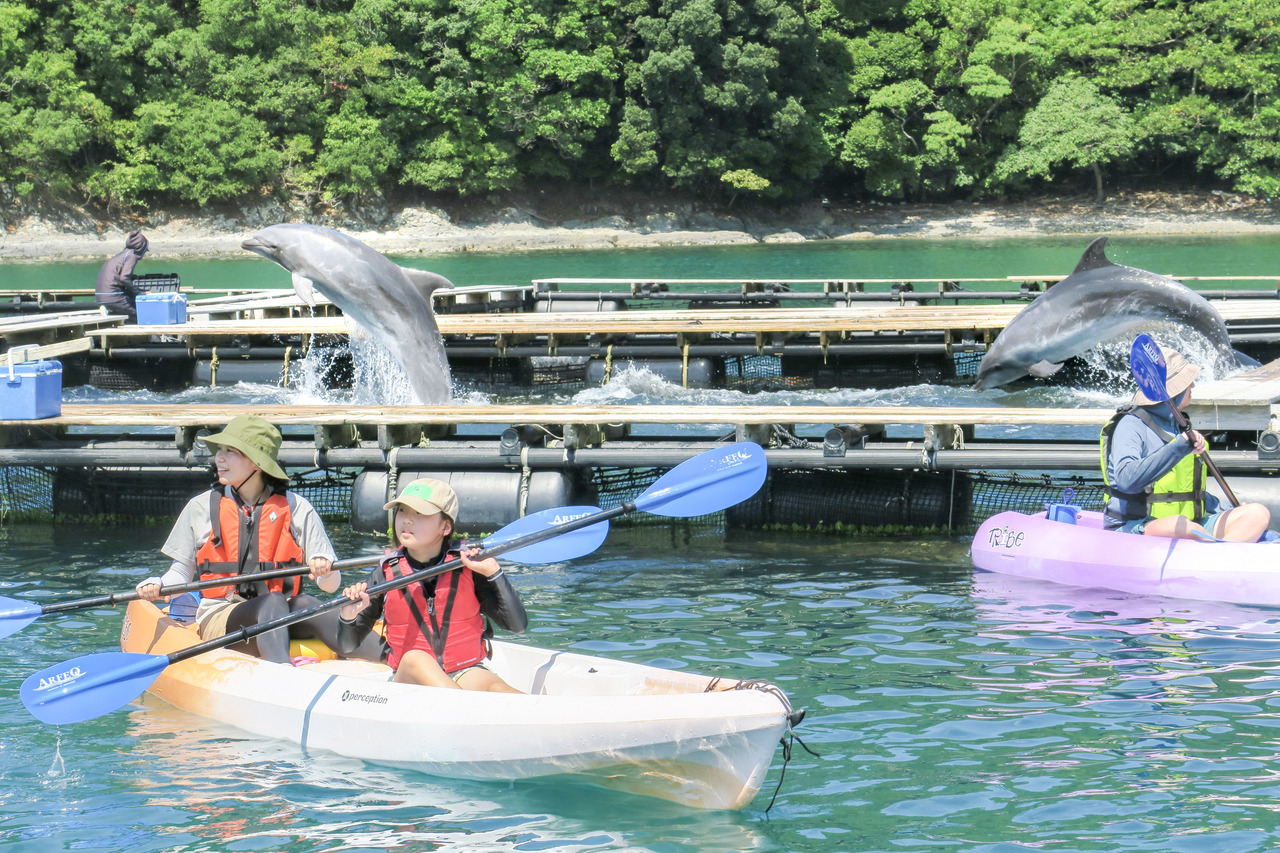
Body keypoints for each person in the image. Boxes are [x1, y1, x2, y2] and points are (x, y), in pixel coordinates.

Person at [137, 414, 380, 664]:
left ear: (256, 463)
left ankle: (391, 658)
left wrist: (324, 570)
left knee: (304, 602)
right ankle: (281, 672)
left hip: (283, 613)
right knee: (272, 602)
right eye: (219, 450)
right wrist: (159, 584)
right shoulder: (199, 507)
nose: (218, 457)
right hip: (222, 617)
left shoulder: (297, 509)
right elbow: (180, 573)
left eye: (230, 451)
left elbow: (330, 586)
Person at [336, 479, 528, 692]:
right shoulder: (385, 574)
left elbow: (517, 626)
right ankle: (466, 709)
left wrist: (495, 573)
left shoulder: (469, 569)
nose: (407, 520)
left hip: (464, 669)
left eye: (420, 513)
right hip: (410, 680)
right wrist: (348, 615)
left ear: (445, 526)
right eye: (402, 510)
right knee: (415, 658)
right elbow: (347, 646)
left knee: (496, 687)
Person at [1101, 344, 1271, 542]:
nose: (1193, 386)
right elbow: (1126, 481)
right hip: (1137, 525)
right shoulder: (1130, 425)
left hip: (1191, 523)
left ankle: (1222, 555)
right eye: (1188, 382)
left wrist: (1228, 511)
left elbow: (1189, 493)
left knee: (1257, 513)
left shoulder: (1180, 425)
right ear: (1176, 390)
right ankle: (1220, 551)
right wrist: (1177, 448)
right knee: (1181, 525)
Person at [95, 230, 149, 316]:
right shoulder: (132, 255)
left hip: (100, 297)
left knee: (127, 307)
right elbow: (124, 278)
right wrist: (140, 293)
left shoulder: (121, 255)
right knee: (143, 315)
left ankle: (109, 309)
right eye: (145, 250)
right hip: (113, 296)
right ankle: (112, 308)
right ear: (141, 247)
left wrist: (139, 291)